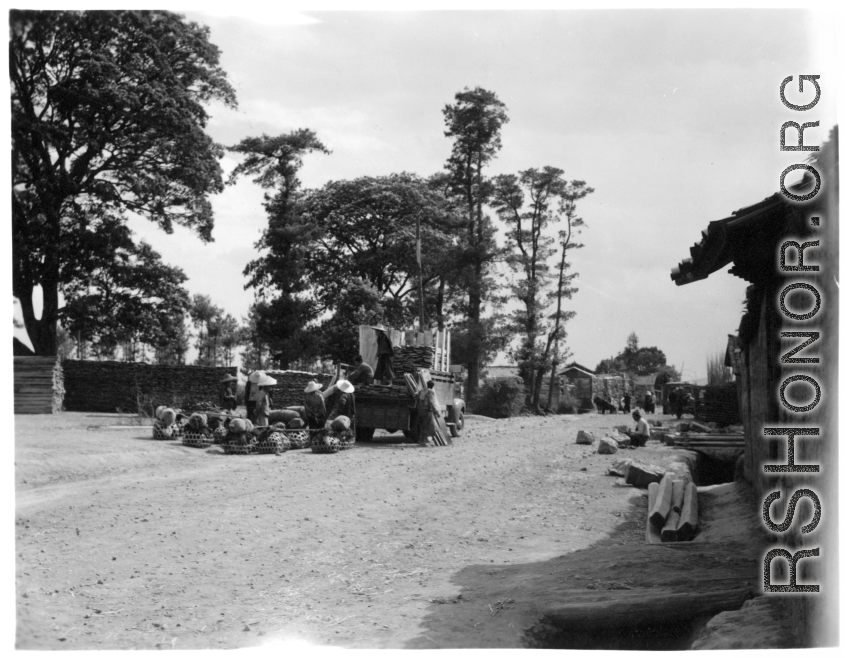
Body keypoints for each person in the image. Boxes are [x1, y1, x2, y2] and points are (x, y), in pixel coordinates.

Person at [416, 380, 442, 446]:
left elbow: (418, 400)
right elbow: (431, 402)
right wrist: (436, 412)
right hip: (427, 411)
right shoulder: (430, 392)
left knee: (422, 426)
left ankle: (421, 441)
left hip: (420, 410)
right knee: (427, 426)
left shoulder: (421, 391)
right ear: (433, 386)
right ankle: (424, 442)